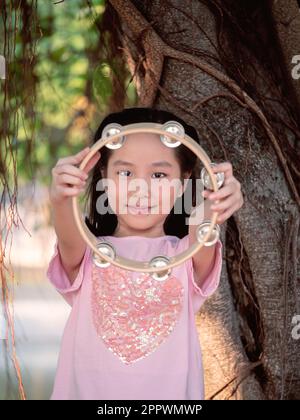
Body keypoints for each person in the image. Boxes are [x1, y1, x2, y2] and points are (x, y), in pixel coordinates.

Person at [47, 107, 243, 400]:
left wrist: (219, 198)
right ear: (102, 174)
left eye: (160, 174)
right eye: (125, 173)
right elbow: (66, 227)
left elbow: (201, 225)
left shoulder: (186, 256)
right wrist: (61, 197)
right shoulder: (86, 253)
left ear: (184, 179)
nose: (142, 190)